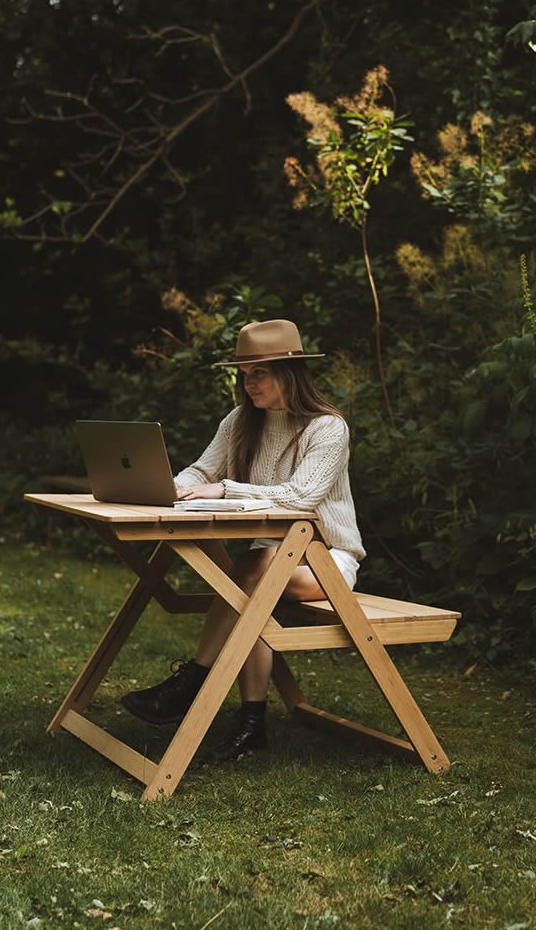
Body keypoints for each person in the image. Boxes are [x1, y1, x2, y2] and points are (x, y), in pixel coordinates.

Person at [120, 319, 365, 761]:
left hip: (327, 560)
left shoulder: (327, 428)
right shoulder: (240, 421)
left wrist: (224, 490)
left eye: (259, 373)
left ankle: (192, 683)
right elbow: (203, 470)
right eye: (245, 374)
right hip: (269, 560)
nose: (249, 383)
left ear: (289, 372)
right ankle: (252, 725)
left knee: (251, 572)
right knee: (253, 589)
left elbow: (301, 497)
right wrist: (175, 487)